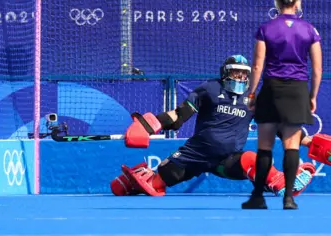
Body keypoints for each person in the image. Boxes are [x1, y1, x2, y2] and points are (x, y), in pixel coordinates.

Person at [113, 54, 317, 197]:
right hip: (195, 155)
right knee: (161, 180)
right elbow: (178, 117)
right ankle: (137, 183)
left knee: (250, 159)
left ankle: (280, 183)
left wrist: (306, 141)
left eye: (244, 74)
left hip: (226, 162)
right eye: (236, 73)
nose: (241, 77)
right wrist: (148, 126)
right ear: (225, 73)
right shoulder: (209, 89)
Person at [242, 0, 322, 210]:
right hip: (297, 90)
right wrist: (312, 96)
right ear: (297, 4)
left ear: (277, 4)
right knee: (291, 145)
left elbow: (257, 66)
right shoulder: (309, 30)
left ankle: (257, 196)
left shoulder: (266, 28)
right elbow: (317, 69)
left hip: (271, 89)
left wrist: (251, 93)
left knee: (264, 146)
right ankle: (289, 197)